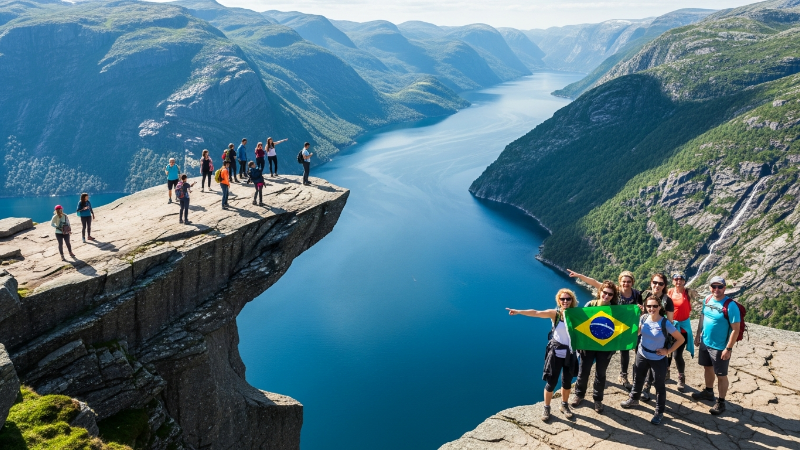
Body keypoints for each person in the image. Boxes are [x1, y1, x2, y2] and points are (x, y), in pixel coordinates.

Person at [507, 288, 579, 422]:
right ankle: (546, 407)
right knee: (551, 382)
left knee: (567, 382)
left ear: (572, 300)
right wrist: (518, 311)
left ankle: (564, 405)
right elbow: (536, 312)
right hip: (556, 353)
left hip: (570, 353)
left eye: (568, 299)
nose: (565, 301)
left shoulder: (577, 314)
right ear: (558, 300)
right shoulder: (555, 314)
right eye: (562, 299)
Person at [568, 269, 642, 390]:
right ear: (620, 281)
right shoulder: (614, 291)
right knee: (588, 366)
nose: (626, 283)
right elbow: (594, 282)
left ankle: (623, 375)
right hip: (609, 323)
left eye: (629, 281)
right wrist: (579, 276)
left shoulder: (636, 294)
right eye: (624, 281)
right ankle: (580, 392)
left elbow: (638, 309)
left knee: (625, 350)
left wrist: (640, 309)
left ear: (632, 282)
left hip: (621, 324)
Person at [620, 294, 686, 425]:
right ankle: (634, 399)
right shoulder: (644, 318)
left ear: (660, 307)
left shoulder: (665, 323)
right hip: (642, 354)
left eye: (654, 306)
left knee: (659, 385)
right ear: (645, 306)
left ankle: (659, 411)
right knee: (638, 379)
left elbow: (681, 339)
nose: (651, 308)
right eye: (649, 306)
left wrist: (668, 351)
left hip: (658, 358)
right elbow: (638, 332)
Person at [692, 276, 740, 416]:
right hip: (705, 342)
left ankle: (721, 402)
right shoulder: (707, 299)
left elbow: (735, 329)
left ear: (724, 288)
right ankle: (708, 391)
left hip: (720, 347)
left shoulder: (731, 306)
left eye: (720, 287)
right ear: (710, 287)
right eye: (714, 286)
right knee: (707, 368)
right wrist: (698, 334)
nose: (716, 289)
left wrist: (728, 348)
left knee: (721, 375)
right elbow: (702, 316)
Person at [569, 281, 618, 413]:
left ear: (613, 296)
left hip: (605, 347)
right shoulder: (591, 305)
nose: (606, 296)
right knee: (583, 371)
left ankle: (598, 399)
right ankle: (579, 395)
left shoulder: (616, 310)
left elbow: (621, 328)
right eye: (604, 292)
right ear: (600, 292)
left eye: (610, 294)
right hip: (588, 345)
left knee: (600, 374)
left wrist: (637, 311)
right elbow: (581, 323)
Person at [640, 273, 675, 399]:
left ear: (664, 285)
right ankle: (644, 386)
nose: (657, 285)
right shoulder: (644, 295)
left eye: (661, 283)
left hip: (658, 336)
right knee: (644, 359)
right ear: (651, 283)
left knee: (653, 360)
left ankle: (647, 386)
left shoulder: (667, 301)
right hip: (644, 333)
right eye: (655, 282)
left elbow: (670, 322)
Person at [667, 272, 697, 391]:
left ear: (684, 281)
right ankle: (666, 372)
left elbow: (704, 296)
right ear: (673, 281)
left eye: (681, 279)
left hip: (683, 328)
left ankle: (681, 377)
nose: (678, 281)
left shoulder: (689, 293)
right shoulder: (669, 292)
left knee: (677, 354)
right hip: (670, 325)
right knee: (667, 352)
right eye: (676, 279)